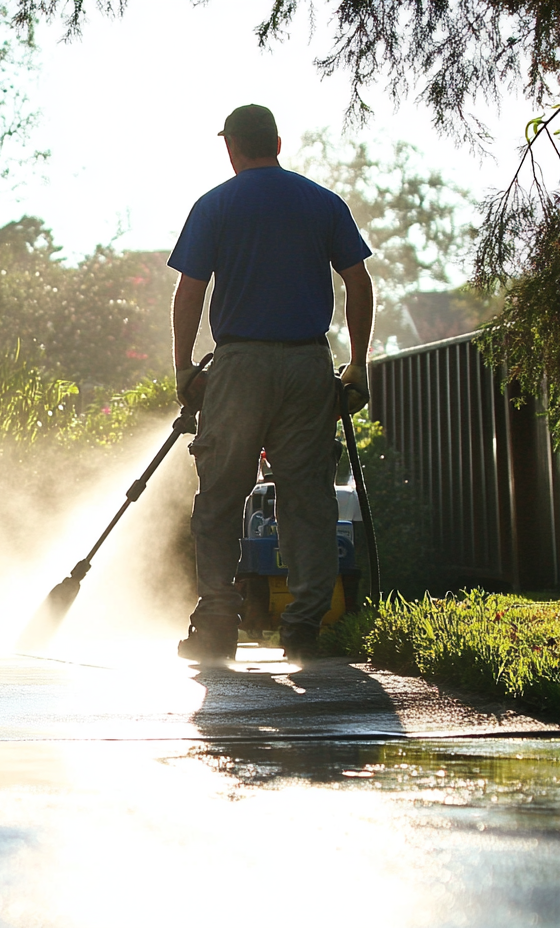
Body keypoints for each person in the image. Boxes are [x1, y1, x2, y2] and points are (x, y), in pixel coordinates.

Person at [168, 104, 374, 664]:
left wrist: (185, 367)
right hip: (308, 366)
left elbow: (190, 292)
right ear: (278, 143)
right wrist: (358, 363)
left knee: (221, 492)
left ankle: (216, 621)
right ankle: (304, 626)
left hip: (239, 367)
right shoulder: (322, 203)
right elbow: (358, 283)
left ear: (232, 148)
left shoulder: (214, 205)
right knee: (307, 497)